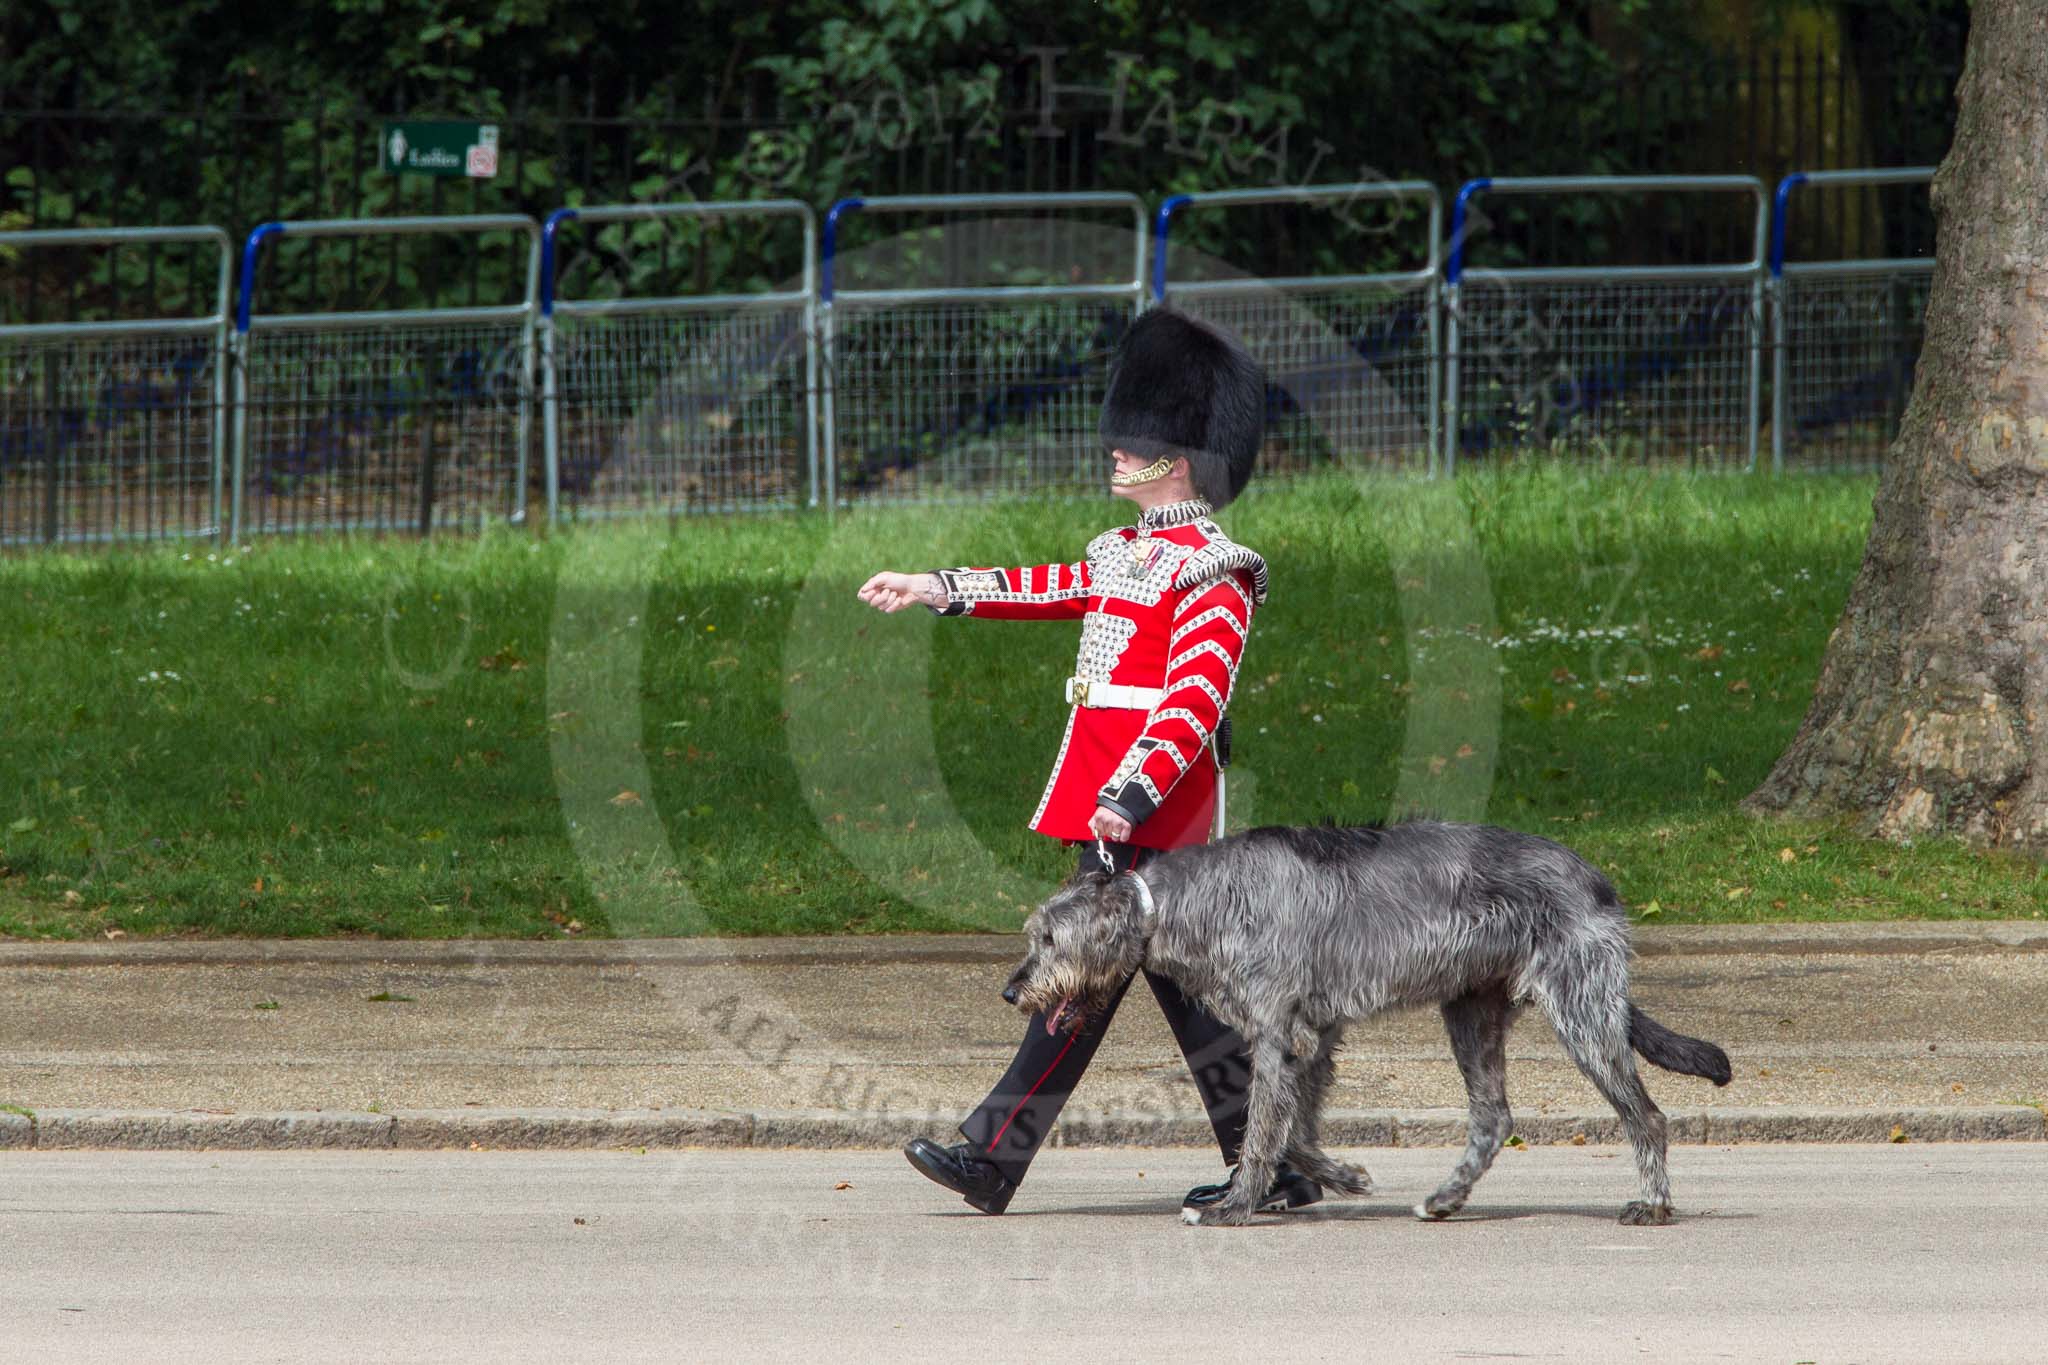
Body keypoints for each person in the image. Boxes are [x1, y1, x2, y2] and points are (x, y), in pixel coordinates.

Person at [855, 306, 1322, 1216]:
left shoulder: (1216, 567)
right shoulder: (1124, 551)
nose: (1114, 453)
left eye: (1133, 440)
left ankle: (996, 1156)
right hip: (1115, 808)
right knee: (1179, 996)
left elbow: (1195, 701)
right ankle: (1278, 1162)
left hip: (1157, 817)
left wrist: (1131, 794)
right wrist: (933, 588)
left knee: (1087, 983)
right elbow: (1047, 585)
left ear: (1177, 457)